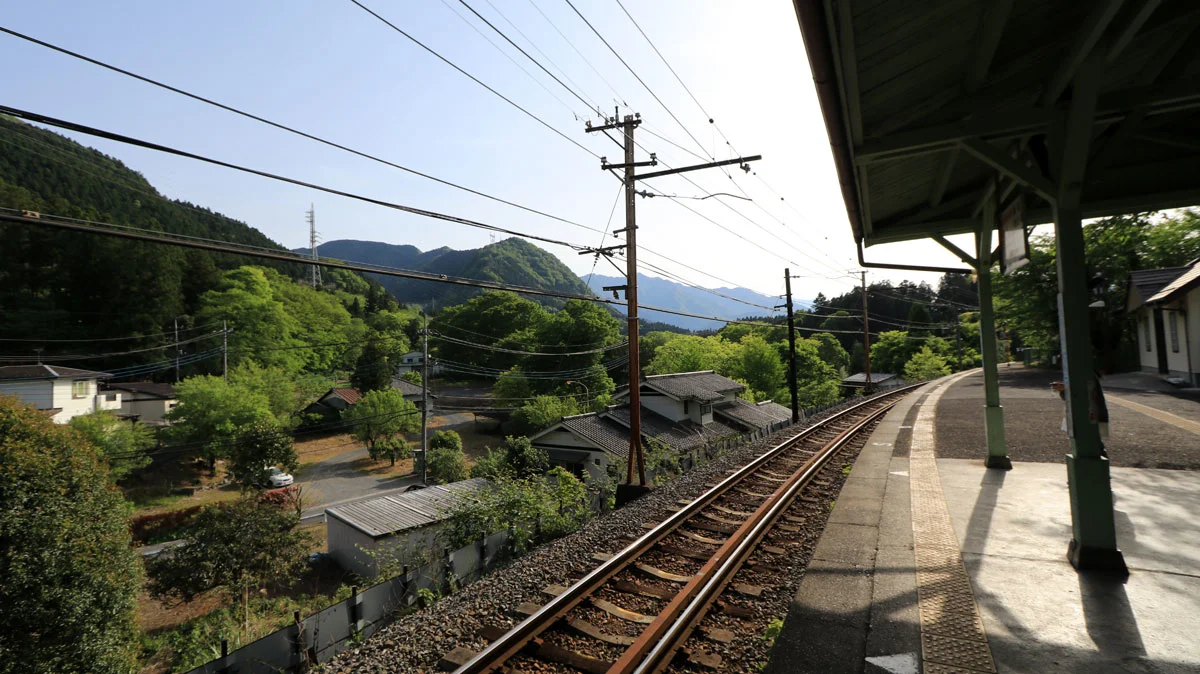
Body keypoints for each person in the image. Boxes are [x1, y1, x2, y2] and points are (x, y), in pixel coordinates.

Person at [1051, 370, 1109, 458]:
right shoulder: (1084, 373)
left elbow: (1076, 395)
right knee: (1093, 440)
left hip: (1087, 413)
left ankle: (1097, 459)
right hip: (1090, 412)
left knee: (1089, 440)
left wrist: (1063, 390)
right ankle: (1100, 456)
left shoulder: (1080, 373)